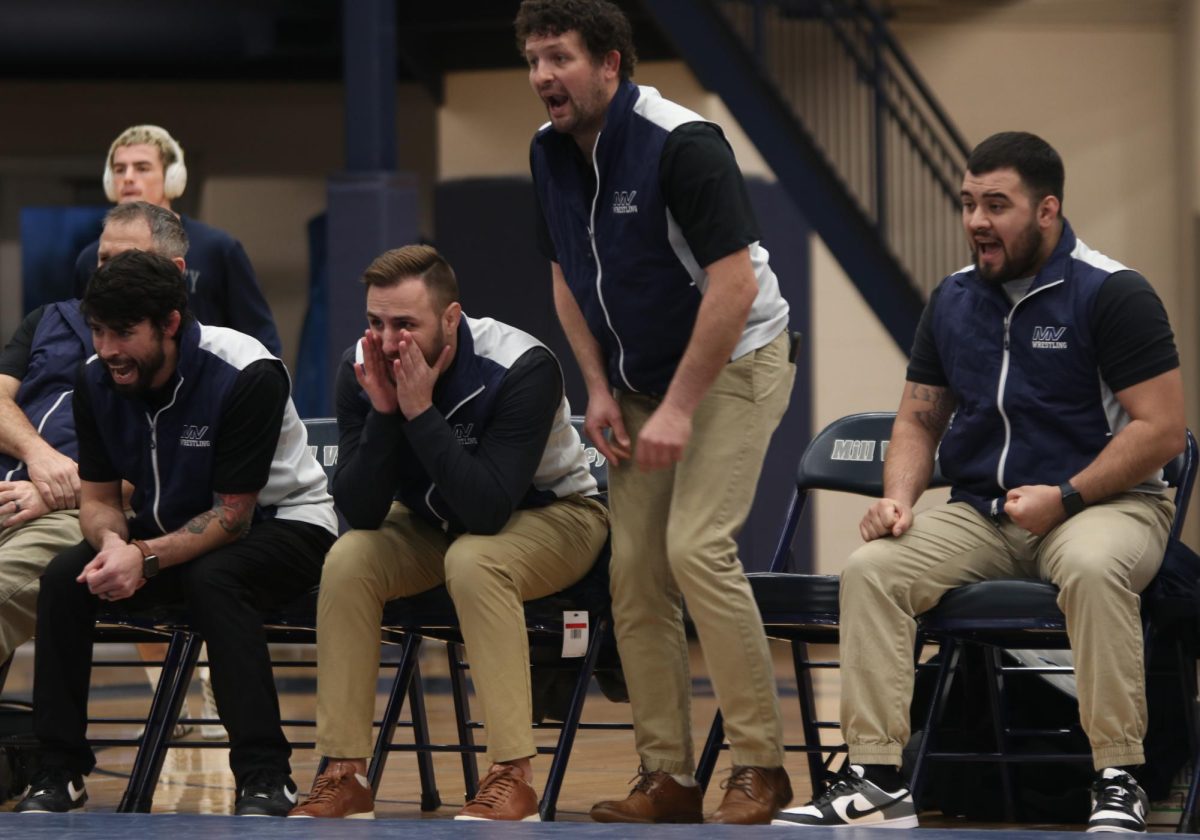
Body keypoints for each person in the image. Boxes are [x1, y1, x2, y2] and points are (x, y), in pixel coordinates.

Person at [773, 132, 1185, 833]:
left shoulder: (1113, 292)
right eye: (967, 204)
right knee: (872, 569)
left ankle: (1118, 777)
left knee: (1089, 568)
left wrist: (1067, 496)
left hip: (1106, 506)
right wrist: (898, 498)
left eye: (997, 205)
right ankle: (878, 779)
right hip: (984, 513)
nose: (976, 222)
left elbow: (1162, 430)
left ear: (1047, 210)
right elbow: (917, 420)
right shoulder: (954, 300)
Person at [518, 0, 796, 825]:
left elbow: (735, 284)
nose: (542, 77)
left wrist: (678, 406)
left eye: (559, 57)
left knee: (695, 548)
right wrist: (598, 388)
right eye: (533, 60)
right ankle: (667, 777)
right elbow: (567, 274)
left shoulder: (684, 143)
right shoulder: (547, 151)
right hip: (636, 381)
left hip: (736, 360)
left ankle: (761, 766)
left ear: (610, 63)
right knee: (632, 572)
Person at [287, 245, 608, 822]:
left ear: (451, 318)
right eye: (375, 322)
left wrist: (420, 413)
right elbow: (359, 509)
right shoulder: (359, 368)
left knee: (475, 560)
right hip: (436, 524)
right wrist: (387, 414)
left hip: (556, 517)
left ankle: (513, 776)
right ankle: (344, 772)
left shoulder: (522, 366)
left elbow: (487, 511)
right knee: (349, 558)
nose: (387, 341)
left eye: (405, 324)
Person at [14, 250, 338, 816]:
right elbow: (98, 499)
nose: (108, 349)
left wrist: (143, 557)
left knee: (216, 578)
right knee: (68, 577)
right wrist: (114, 547)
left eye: (123, 332)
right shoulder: (96, 380)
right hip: (167, 535)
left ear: (170, 322)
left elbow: (233, 517)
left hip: (285, 525)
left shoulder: (244, 371)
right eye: (97, 331)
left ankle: (265, 773)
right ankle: (58, 769)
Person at [0, 202, 185, 667]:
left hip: (80, 514)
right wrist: (40, 456)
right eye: (103, 259)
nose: (109, 271)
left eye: (127, 258)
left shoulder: (177, 353)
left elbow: (170, 472)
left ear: (173, 271)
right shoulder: (49, 319)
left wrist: (59, 493)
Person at [73, 124, 282, 356]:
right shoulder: (91, 259)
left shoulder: (218, 248)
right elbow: (82, 336)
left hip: (208, 382)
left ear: (172, 178)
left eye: (142, 168)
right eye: (119, 169)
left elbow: (261, 340)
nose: (128, 178)